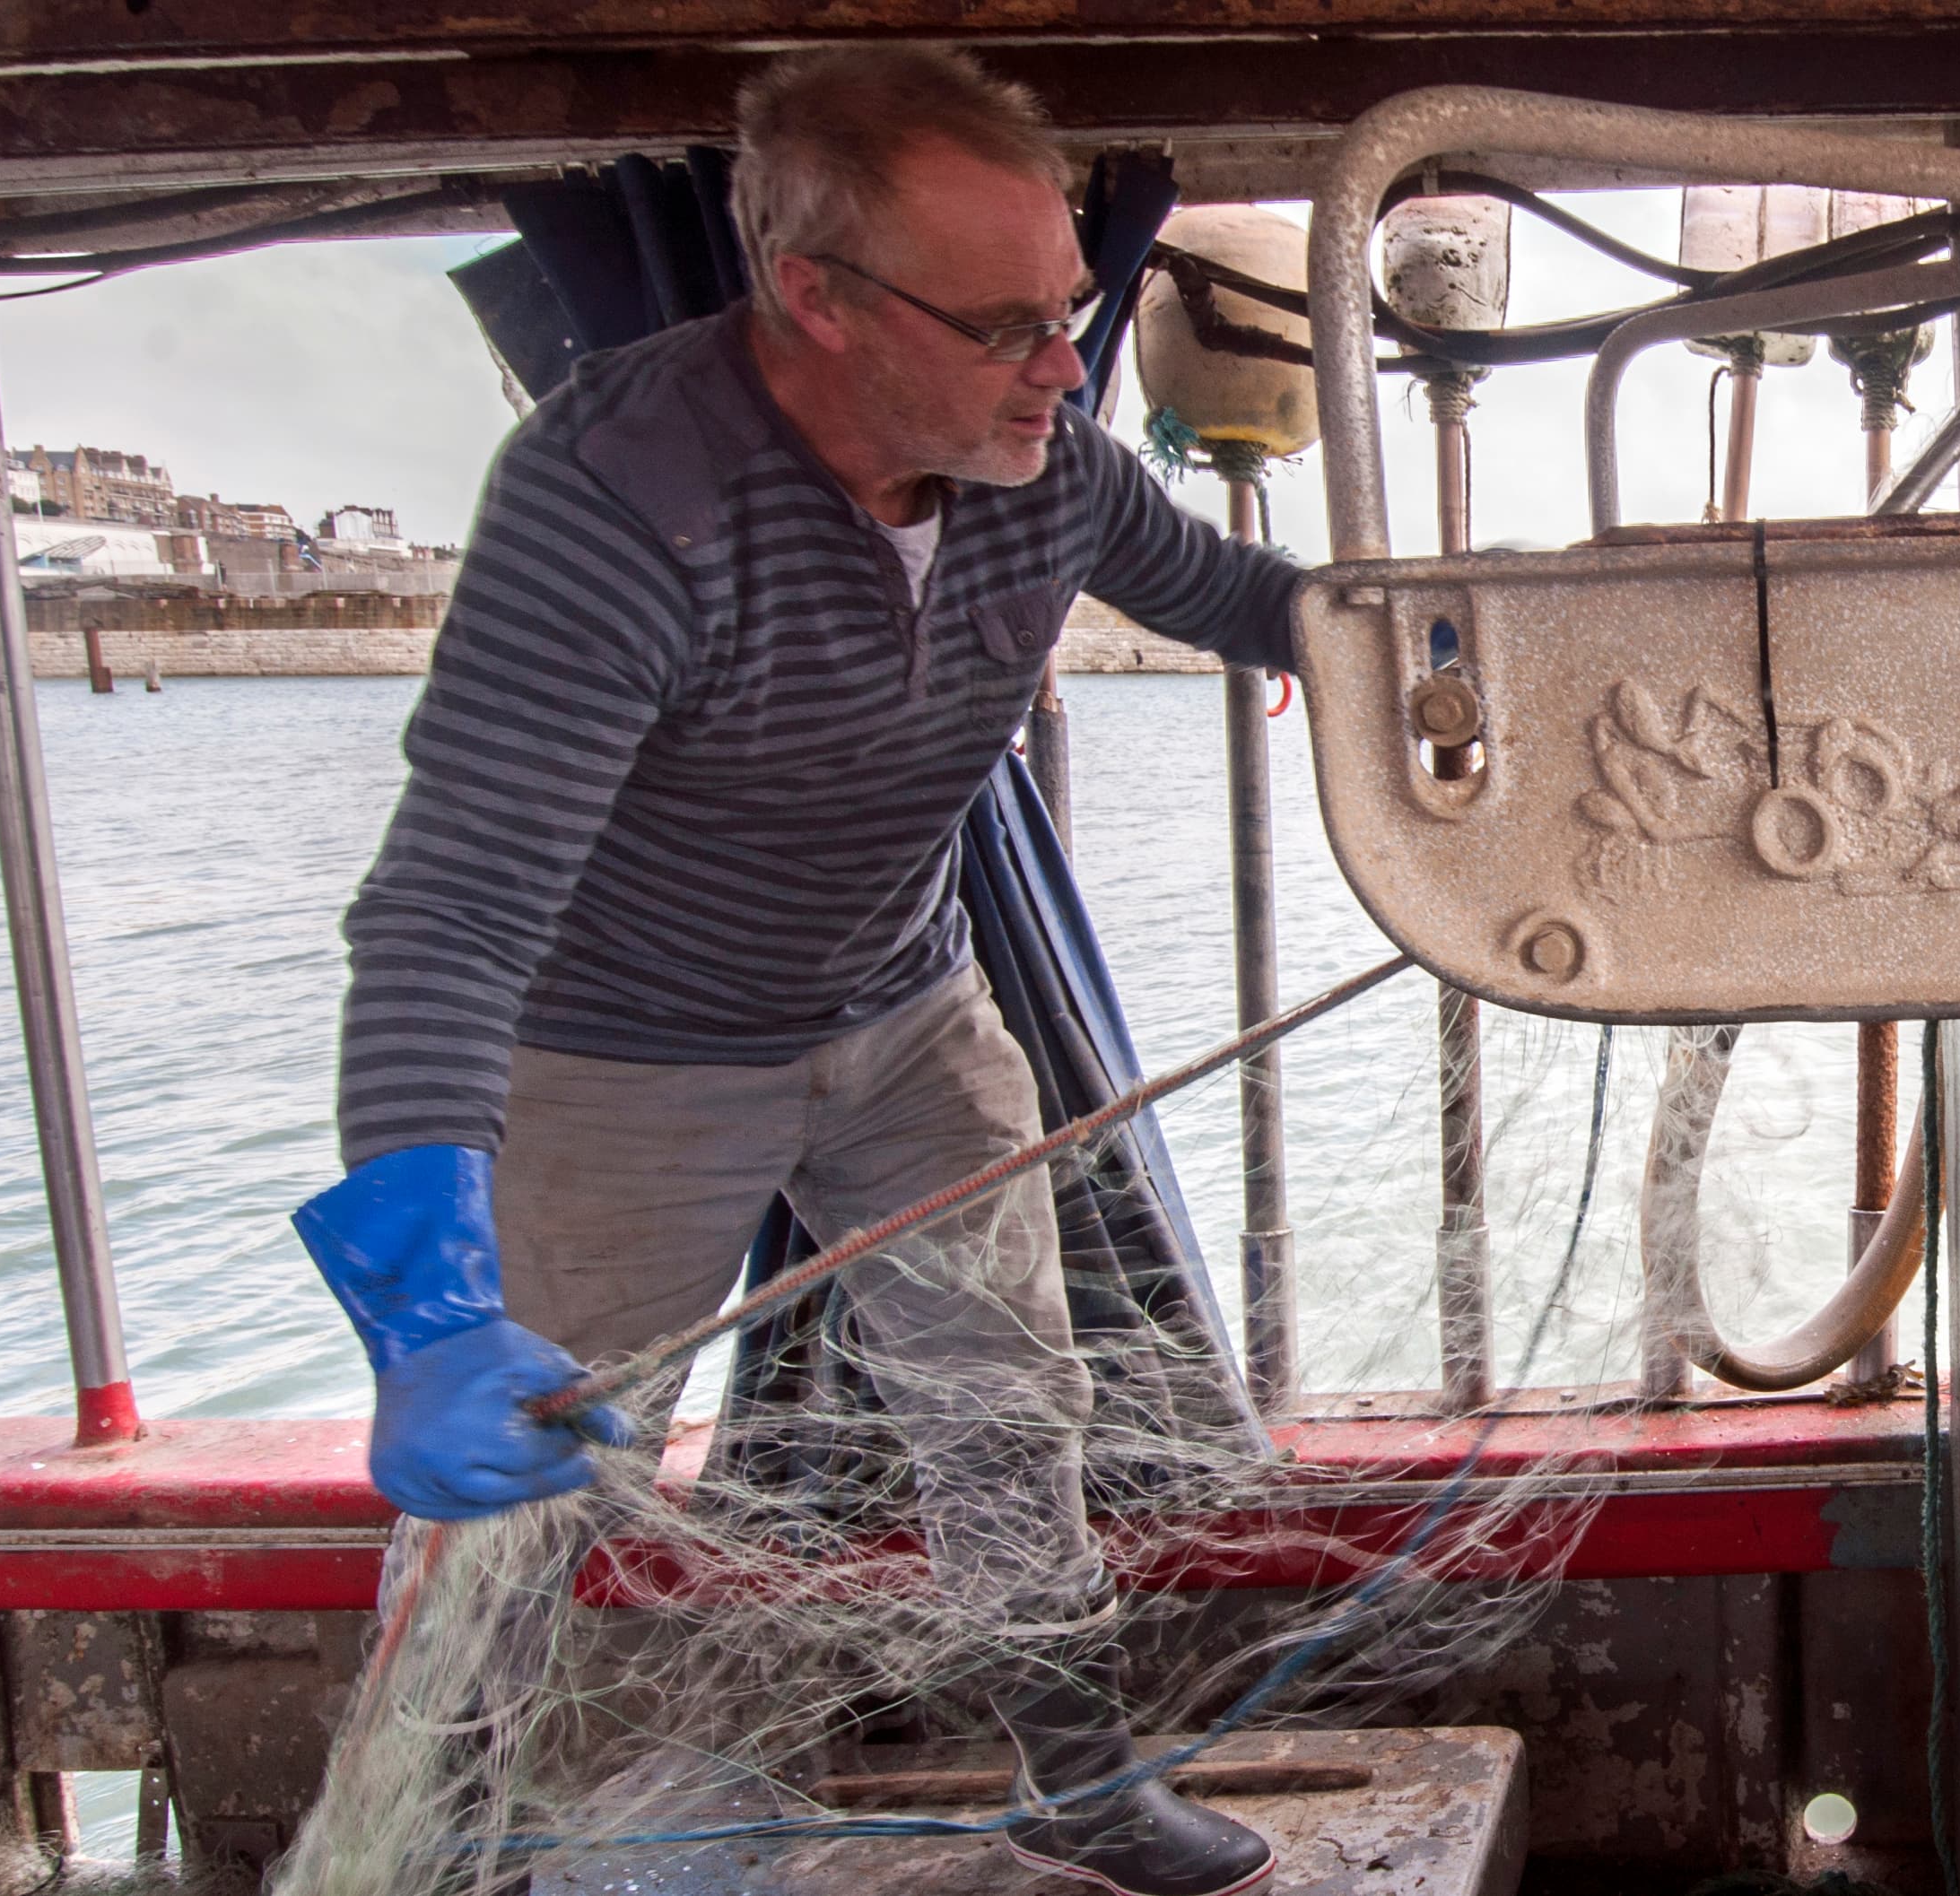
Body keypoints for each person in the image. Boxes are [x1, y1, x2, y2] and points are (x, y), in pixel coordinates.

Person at [288, 44, 1291, 1896]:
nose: (1064, 377)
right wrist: (422, 1303)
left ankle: (1078, 1780)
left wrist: (1414, 637)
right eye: (1003, 328)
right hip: (619, 1059)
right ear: (812, 296)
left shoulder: (1044, 464)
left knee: (1012, 1396)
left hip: (903, 1013)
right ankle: (427, 1852)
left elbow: (1235, 593)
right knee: (517, 1486)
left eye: (1069, 316)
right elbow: (448, 907)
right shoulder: (617, 500)